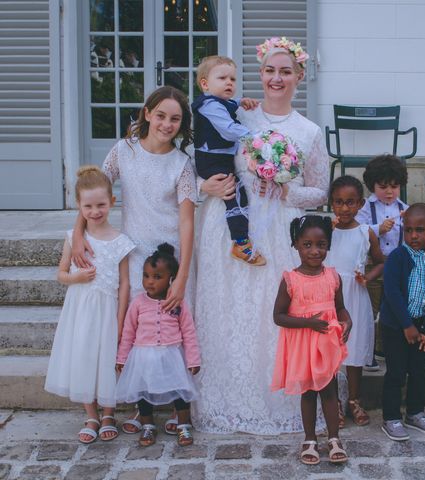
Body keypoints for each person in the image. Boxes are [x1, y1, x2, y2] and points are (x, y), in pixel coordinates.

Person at [193, 37, 329, 434]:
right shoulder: (236, 114)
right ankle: (225, 401)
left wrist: (289, 190)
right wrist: (206, 187)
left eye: (285, 71)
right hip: (230, 225)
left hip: (280, 232)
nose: (276, 78)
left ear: (299, 77)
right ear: (261, 74)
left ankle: (278, 401)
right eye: (270, 70)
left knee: (271, 316)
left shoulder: (308, 131)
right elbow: (198, 159)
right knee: (227, 310)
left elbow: (320, 190)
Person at [72, 85, 198, 436]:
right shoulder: (123, 151)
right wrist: (79, 232)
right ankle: (139, 406)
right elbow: (92, 189)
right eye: (160, 115)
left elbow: (187, 221)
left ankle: (177, 406)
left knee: (171, 335)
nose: (166, 124)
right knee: (136, 332)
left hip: (169, 258)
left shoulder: (181, 164)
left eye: (175, 118)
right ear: (146, 114)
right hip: (131, 256)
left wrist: (183, 275)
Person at [45, 166, 135, 444]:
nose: (95, 211)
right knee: (84, 356)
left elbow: (125, 285)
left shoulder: (121, 242)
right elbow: (61, 274)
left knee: (107, 359)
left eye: (101, 205)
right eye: (88, 206)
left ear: (112, 202)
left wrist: (121, 320)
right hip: (80, 310)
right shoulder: (74, 240)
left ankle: (109, 412)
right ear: (78, 206)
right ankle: (91, 413)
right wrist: (77, 276)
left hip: (108, 310)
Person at [272, 216, 352, 464]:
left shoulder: (333, 277)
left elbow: (340, 308)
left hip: (326, 344)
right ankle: (309, 438)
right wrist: (308, 323)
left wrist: (347, 321)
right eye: (307, 245)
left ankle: (334, 438)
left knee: (330, 391)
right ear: (296, 244)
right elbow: (279, 316)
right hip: (303, 345)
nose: (315, 251)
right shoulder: (290, 280)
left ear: (328, 245)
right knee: (308, 392)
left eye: (321, 244)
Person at [116, 243, 200, 447]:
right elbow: (128, 332)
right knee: (143, 392)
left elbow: (188, 332)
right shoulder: (137, 303)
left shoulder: (177, 302)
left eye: (157, 277)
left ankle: (183, 425)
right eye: (146, 276)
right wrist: (121, 357)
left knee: (180, 390)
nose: (150, 282)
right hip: (143, 355)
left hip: (171, 354)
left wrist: (193, 358)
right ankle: (147, 426)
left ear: (171, 278)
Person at [379, 203, 425, 441]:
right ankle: (391, 417)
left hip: (423, 327)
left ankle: (415, 413)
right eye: (408, 230)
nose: (413, 236)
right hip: (396, 326)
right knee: (396, 372)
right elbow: (392, 293)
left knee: (419, 371)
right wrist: (407, 325)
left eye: (420, 230)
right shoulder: (397, 258)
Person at [192, 55, 265, 266]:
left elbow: (231, 105)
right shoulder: (209, 105)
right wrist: (255, 138)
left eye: (232, 79)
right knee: (233, 193)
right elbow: (228, 128)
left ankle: (241, 239)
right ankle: (240, 243)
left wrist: (241, 101)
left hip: (219, 157)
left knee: (239, 192)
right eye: (222, 78)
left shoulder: (221, 102)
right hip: (212, 160)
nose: (229, 83)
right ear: (205, 84)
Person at [325, 176, 385, 427]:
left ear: (360, 203)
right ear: (331, 204)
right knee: (331, 352)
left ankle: (354, 399)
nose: (344, 208)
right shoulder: (326, 230)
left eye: (350, 202)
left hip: (356, 299)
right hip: (330, 297)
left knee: (355, 350)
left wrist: (367, 276)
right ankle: (334, 402)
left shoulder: (365, 232)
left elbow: (381, 261)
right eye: (338, 202)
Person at [355, 154, 409, 372]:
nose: (389, 192)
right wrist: (378, 229)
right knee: (370, 309)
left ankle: (383, 348)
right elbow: (358, 229)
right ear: (372, 185)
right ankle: (366, 353)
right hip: (373, 265)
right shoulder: (366, 207)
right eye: (383, 186)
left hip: (395, 266)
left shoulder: (404, 208)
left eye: (394, 187)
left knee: (392, 308)